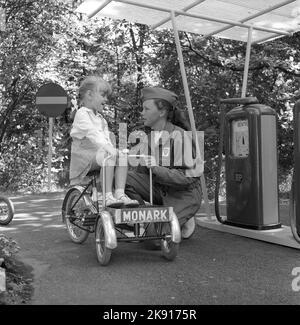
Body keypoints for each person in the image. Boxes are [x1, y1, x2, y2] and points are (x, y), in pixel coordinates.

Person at [125, 87, 202, 239]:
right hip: (160, 190)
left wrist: (156, 168)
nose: (142, 112)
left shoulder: (179, 136)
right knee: (124, 178)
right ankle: (147, 217)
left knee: (153, 238)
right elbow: (139, 175)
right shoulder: (148, 138)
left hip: (183, 195)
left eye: (146, 109)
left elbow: (189, 178)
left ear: (161, 112)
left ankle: (184, 218)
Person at [69, 75, 139, 208]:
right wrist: (109, 149)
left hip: (99, 155)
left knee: (121, 157)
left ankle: (119, 193)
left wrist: (116, 150)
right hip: (84, 158)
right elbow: (92, 134)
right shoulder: (82, 113)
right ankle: (107, 196)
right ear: (90, 94)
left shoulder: (101, 119)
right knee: (109, 156)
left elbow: (106, 140)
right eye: (103, 95)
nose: (106, 99)